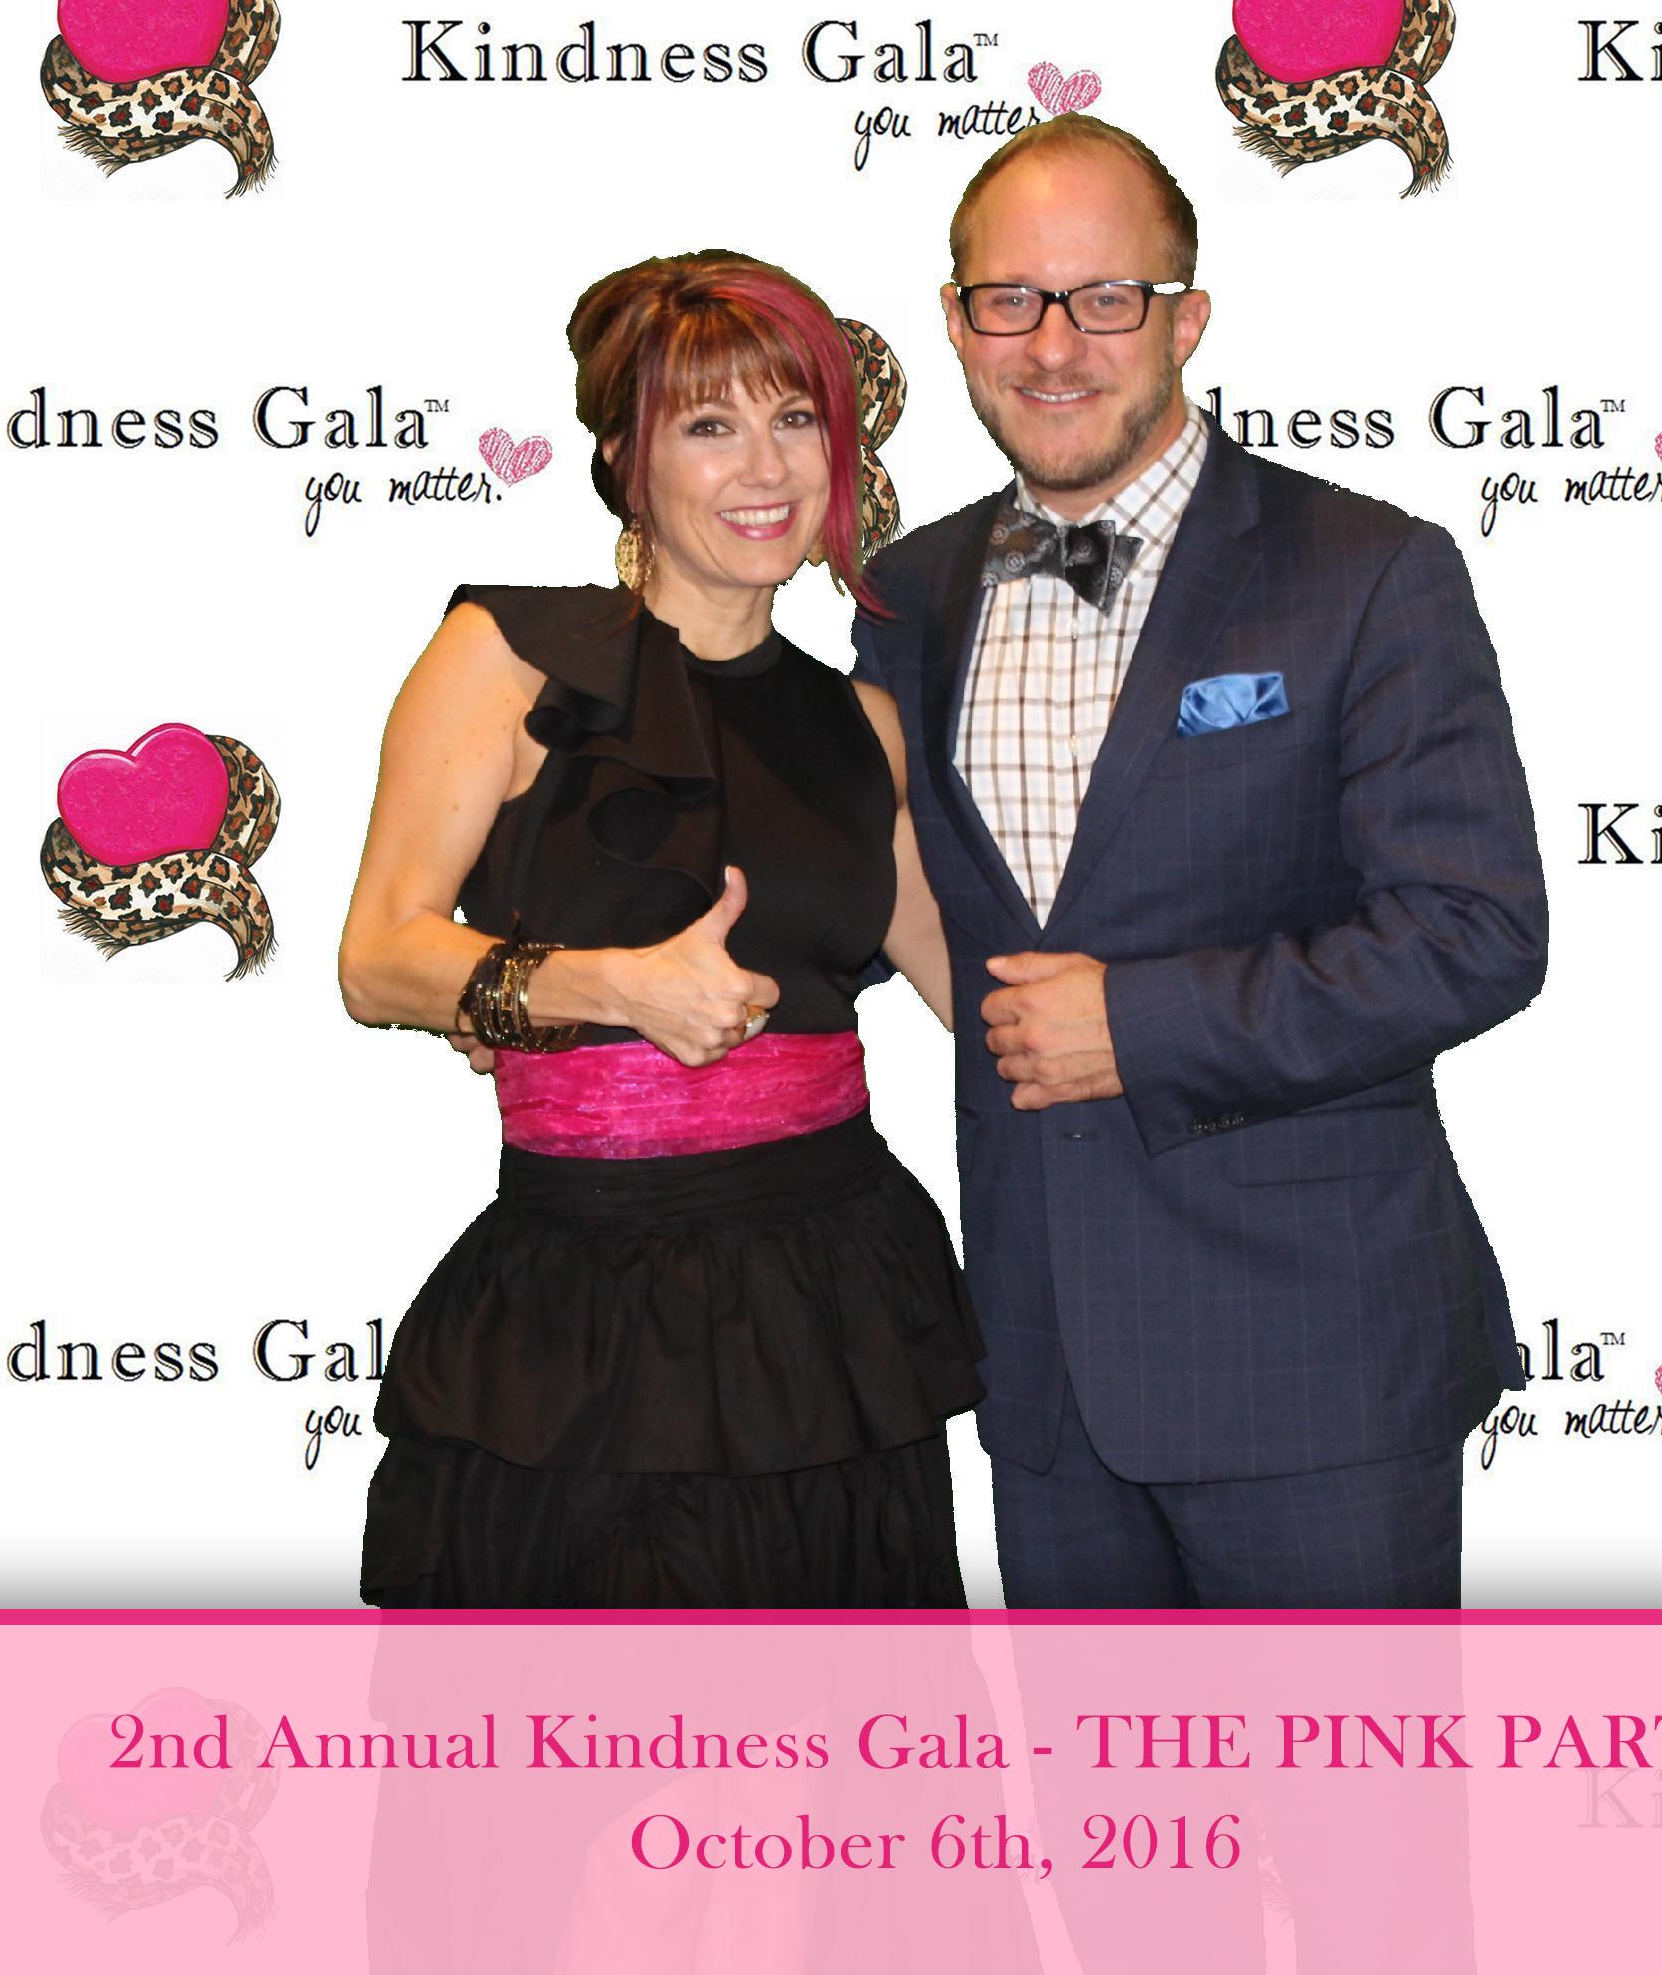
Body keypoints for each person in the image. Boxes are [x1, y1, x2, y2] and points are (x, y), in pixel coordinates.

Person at [851, 115, 1546, 1608]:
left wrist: (1142, 1025)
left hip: (1316, 1367)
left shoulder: (1370, 570)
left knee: (1354, 1782)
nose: (1054, 345)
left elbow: (1473, 930)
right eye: (1009, 299)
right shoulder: (908, 595)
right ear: (956, 321)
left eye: (1107, 298)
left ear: (1188, 317)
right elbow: (857, 872)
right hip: (1043, 1378)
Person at [338, 251, 983, 1607]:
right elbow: (380, 957)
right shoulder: (509, 657)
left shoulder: (860, 723)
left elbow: (977, 991)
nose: (766, 466)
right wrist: (616, 989)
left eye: (796, 417)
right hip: (587, 1312)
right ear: (627, 463)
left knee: (845, 1726)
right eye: (709, 425)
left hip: (832, 1308)